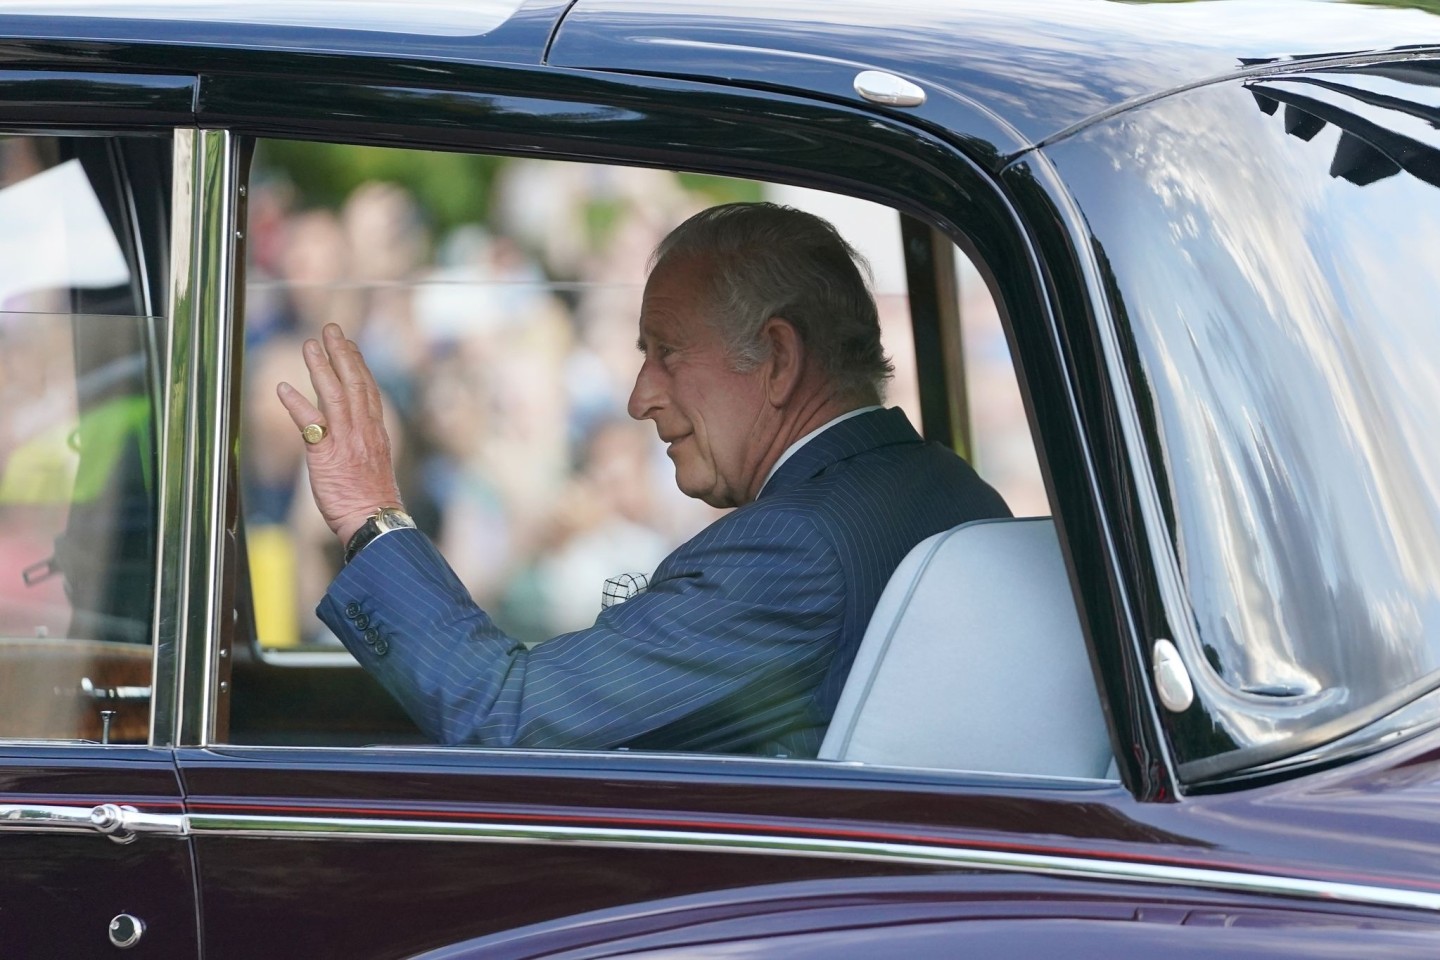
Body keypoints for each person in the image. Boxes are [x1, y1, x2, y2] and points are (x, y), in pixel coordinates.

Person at [277, 202, 1010, 757]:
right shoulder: (946, 485)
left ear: (779, 360)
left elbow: (505, 715)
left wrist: (372, 514)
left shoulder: (793, 551)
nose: (638, 398)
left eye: (667, 353)